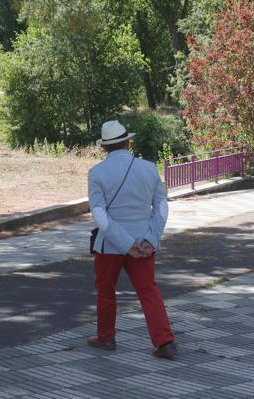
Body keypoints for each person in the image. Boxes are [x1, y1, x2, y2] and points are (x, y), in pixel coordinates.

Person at [87, 120, 176, 359]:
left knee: (106, 291)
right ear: (128, 142)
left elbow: (99, 213)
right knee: (149, 291)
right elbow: (161, 206)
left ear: (104, 148)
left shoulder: (96, 173)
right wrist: (150, 238)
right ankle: (165, 341)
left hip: (110, 245)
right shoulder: (148, 168)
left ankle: (106, 337)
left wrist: (125, 244)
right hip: (144, 243)